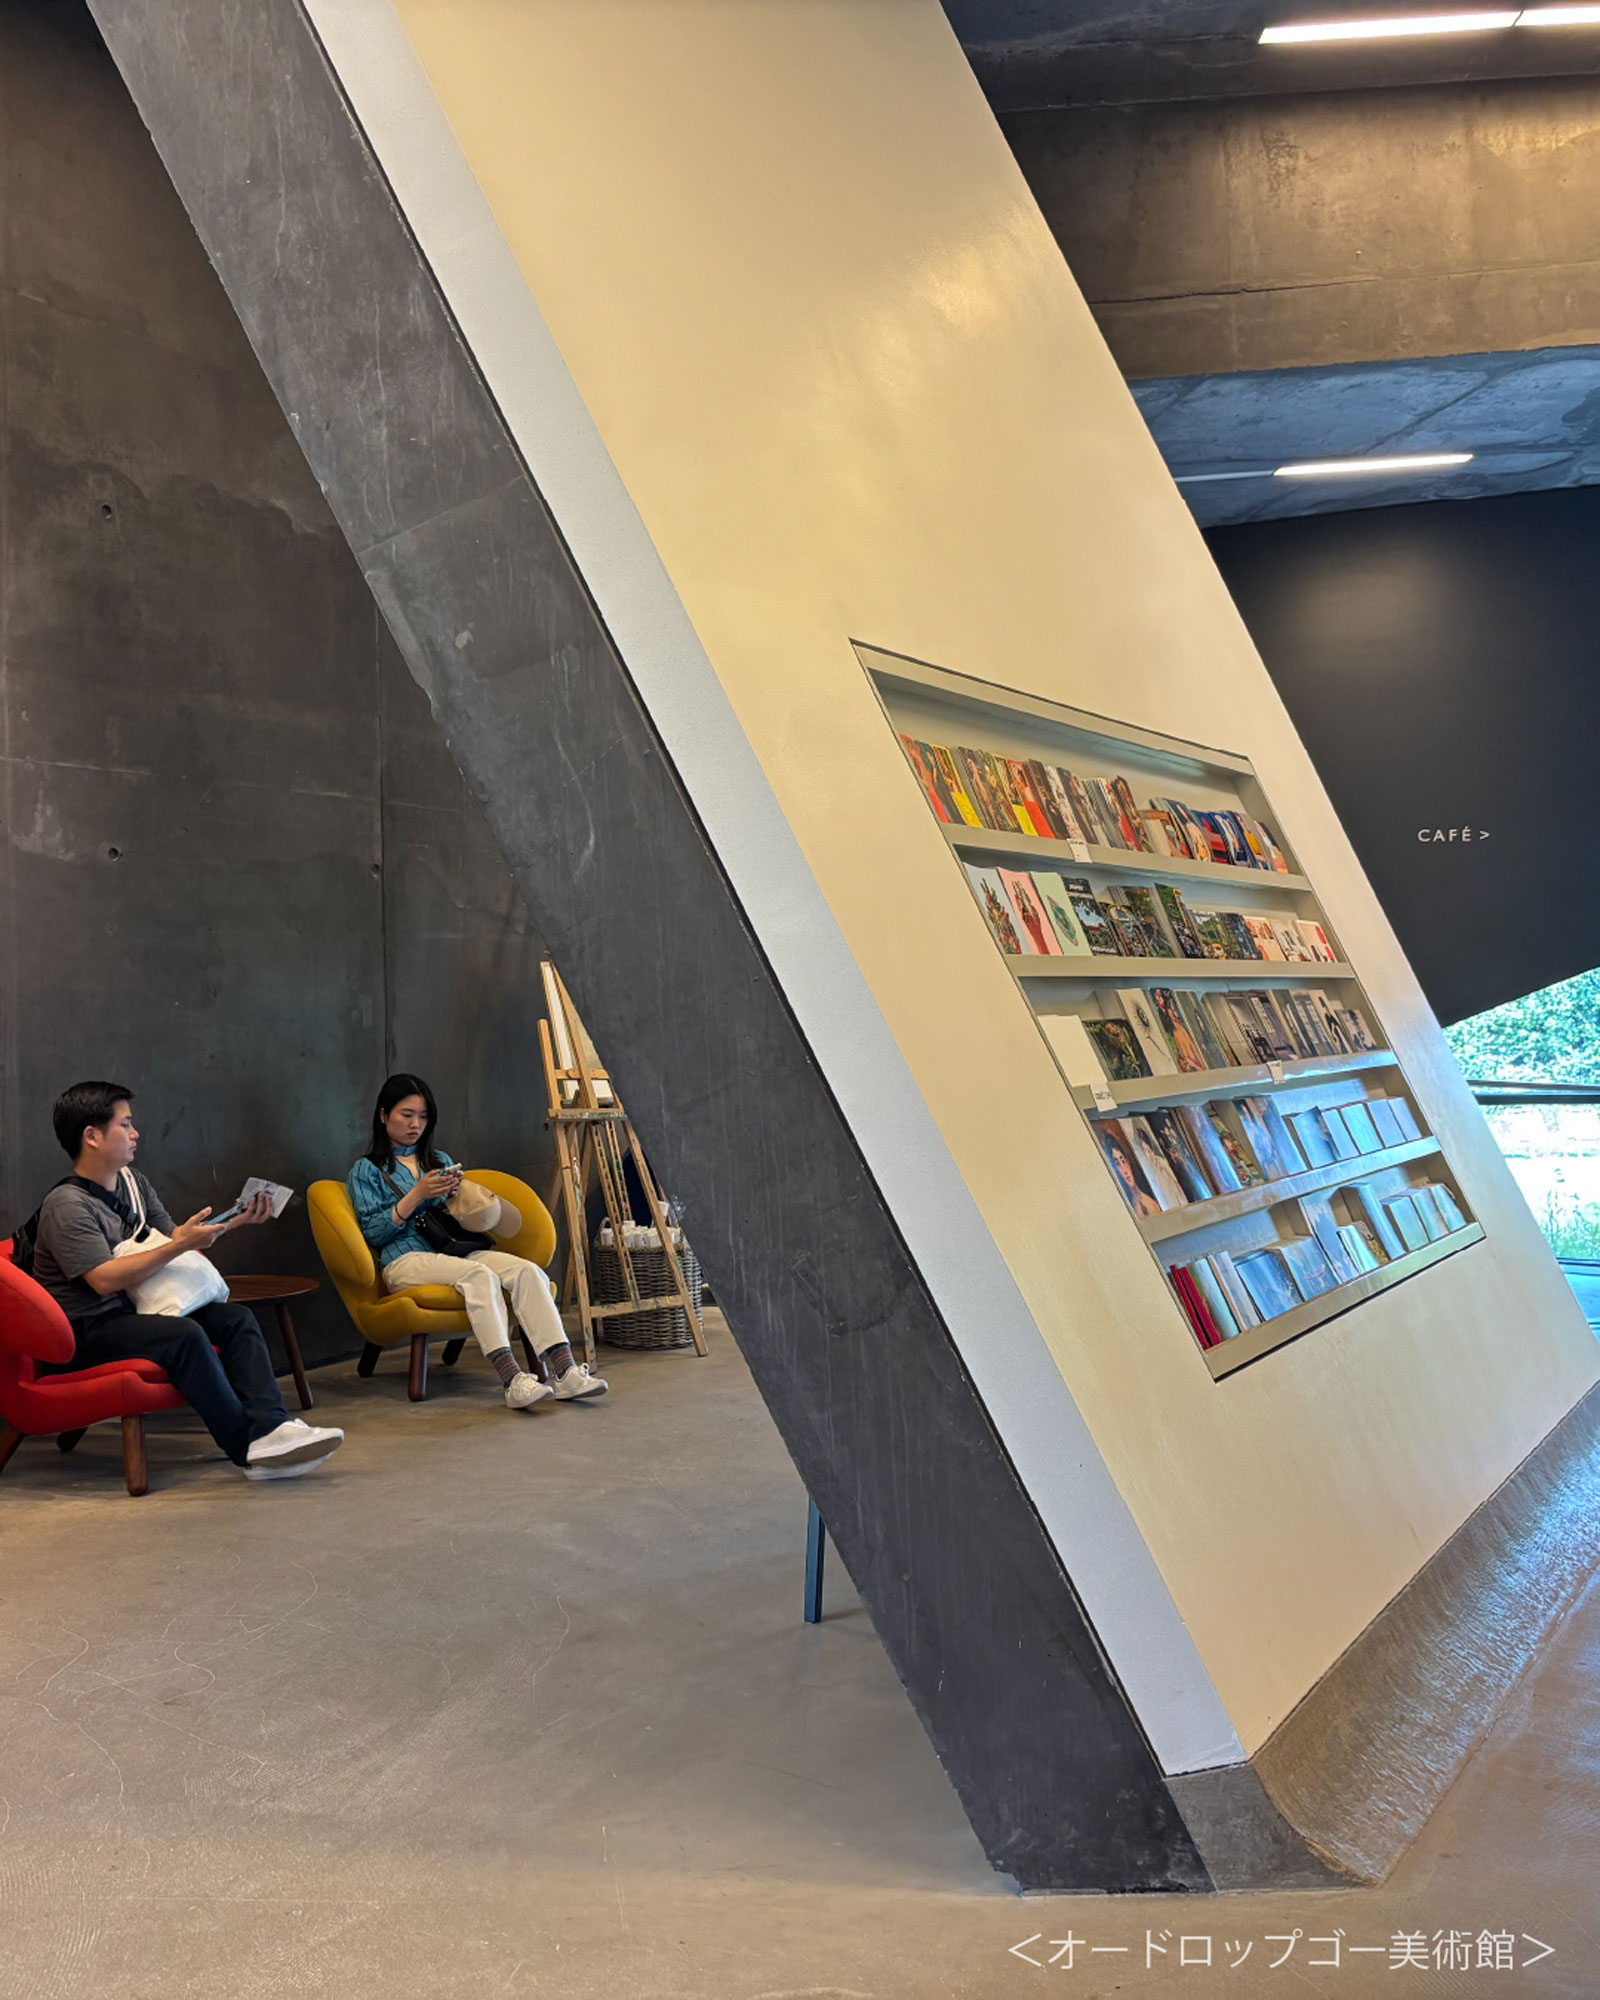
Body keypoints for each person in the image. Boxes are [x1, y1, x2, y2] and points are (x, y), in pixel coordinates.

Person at [31, 1082, 345, 1480]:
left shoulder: (133, 1183)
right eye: (125, 1125)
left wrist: (236, 1220)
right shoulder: (66, 1205)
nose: (135, 1133)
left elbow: (171, 1239)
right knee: (184, 1335)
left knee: (236, 1320)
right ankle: (247, 1449)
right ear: (91, 1136)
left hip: (132, 1310)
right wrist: (181, 1244)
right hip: (85, 1331)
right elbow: (103, 1281)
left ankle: (272, 1426)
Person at [347, 1074, 607, 1411]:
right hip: (405, 1261)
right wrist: (417, 1194)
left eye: (423, 1117)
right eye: (406, 1115)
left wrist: (460, 1196)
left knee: (527, 1271)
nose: (415, 1125)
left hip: (454, 1251)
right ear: (383, 1115)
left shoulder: (437, 1160)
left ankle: (565, 1371)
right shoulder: (366, 1170)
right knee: (479, 1276)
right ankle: (512, 1379)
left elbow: (459, 1221)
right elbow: (373, 1233)